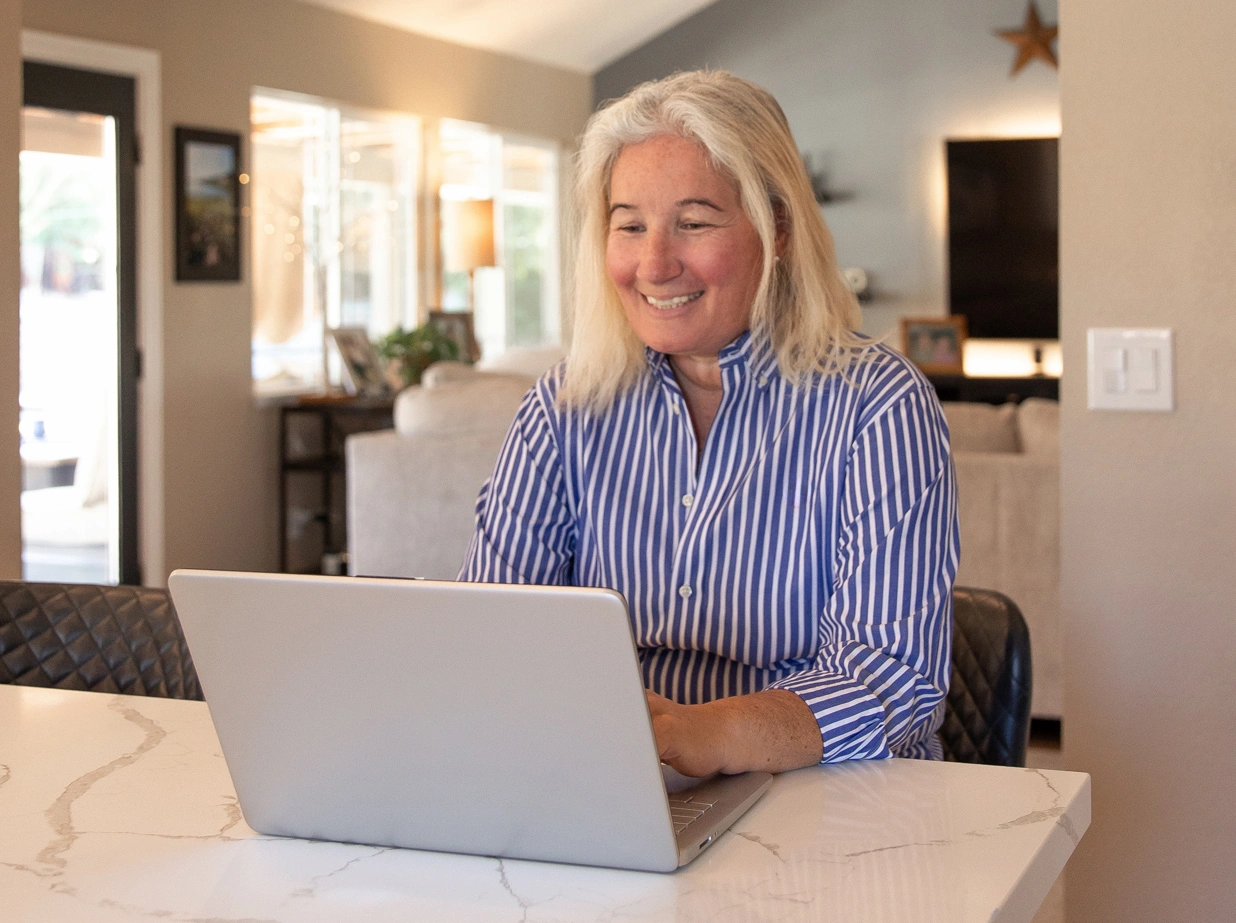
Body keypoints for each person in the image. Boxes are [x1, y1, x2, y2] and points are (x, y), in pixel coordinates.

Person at [459, 70, 959, 777]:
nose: (655, 264)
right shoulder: (561, 409)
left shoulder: (877, 406)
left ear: (778, 228)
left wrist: (704, 732)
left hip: (823, 799)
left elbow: (892, 679)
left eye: (693, 223)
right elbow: (491, 633)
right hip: (608, 778)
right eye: (629, 225)